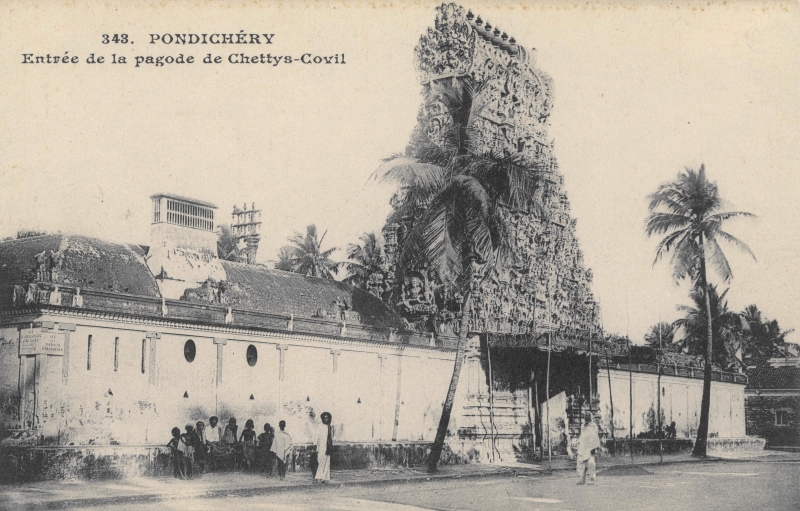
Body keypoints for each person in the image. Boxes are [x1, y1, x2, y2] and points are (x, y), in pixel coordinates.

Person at [576, 412, 601, 485]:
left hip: (590, 447)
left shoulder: (593, 425)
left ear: (590, 417)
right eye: (585, 416)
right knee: (582, 464)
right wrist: (578, 443)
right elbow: (581, 435)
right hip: (583, 447)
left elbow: (595, 436)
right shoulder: (582, 426)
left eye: (588, 415)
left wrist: (594, 447)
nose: (586, 417)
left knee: (591, 463)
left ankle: (592, 479)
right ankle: (582, 480)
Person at [314, 412, 333, 484]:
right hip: (321, 446)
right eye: (324, 418)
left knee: (327, 462)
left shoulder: (329, 426)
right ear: (322, 419)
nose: (326, 419)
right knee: (321, 461)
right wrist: (315, 446)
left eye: (327, 418)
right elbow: (316, 437)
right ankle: (318, 477)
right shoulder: (319, 426)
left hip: (328, 447)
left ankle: (325, 478)